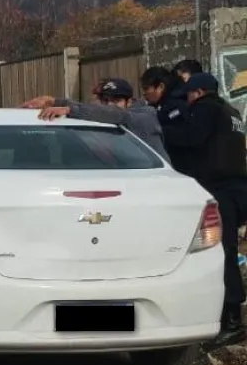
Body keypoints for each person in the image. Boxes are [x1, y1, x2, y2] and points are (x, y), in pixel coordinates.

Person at [165, 72, 247, 347]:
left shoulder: (205, 108)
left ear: (198, 93)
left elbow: (191, 138)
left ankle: (232, 320)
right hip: (237, 188)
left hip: (218, 190)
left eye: (189, 94)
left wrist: (164, 127)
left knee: (220, 253)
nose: (187, 99)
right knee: (228, 251)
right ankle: (230, 316)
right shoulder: (230, 111)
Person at [23, 78, 169, 160]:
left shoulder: (144, 115)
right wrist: (54, 101)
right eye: (105, 100)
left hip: (154, 180)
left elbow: (116, 114)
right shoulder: (104, 117)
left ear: (130, 101)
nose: (110, 105)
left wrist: (70, 109)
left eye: (116, 100)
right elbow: (98, 110)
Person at [140, 66, 195, 176]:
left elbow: (182, 134)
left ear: (160, 87)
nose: (144, 93)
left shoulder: (176, 105)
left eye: (147, 89)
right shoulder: (159, 105)